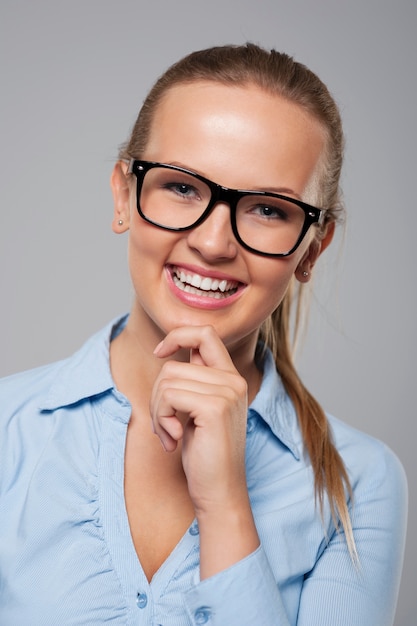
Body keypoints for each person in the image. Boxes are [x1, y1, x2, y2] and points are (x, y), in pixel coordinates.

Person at [0, 43, 407, 625]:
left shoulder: (358, 484)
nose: (214, 244)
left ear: (312, 249)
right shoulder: (7, 432)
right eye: (183, 188)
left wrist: (224, 507)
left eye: (268, 210)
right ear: (123, 195)